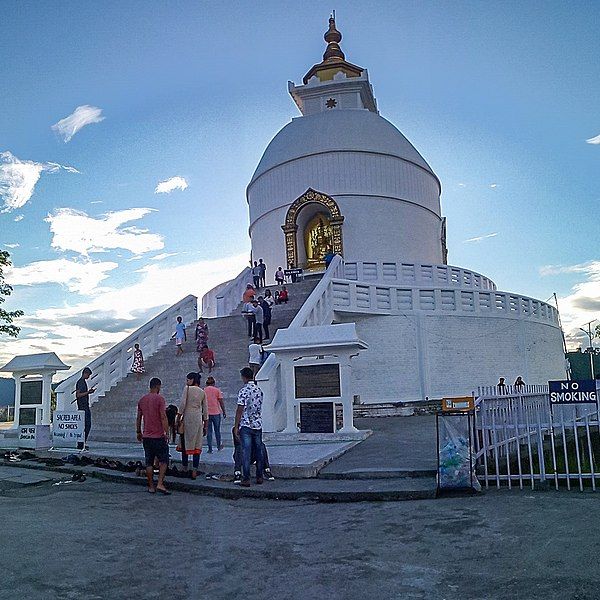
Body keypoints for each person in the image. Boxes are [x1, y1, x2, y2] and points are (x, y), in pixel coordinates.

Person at [136, 377, 171, 494]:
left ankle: (151, 486)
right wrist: (166, 432)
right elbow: (163, 416)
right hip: (158, 436)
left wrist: (138, 432)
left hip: (146, 436)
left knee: (149, 462)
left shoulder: (142, 400)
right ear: (158, 386)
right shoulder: (160, 399)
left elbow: (138, 418)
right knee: (164, 460)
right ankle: (160, 483)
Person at [234, 366, 265, 487]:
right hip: (257, 423)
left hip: (246, 424)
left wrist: (236, 426)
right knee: (259, 450)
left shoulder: (243, 391)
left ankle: (246, 478)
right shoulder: (259, 390)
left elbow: (239, 409)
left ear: (244, 377)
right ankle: (259, 476)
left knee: (246, 451)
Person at [177, 372, 208, 479]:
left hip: (188, 417)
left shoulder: (187, 389)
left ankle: (185, 468)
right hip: (198, 419)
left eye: (188, 380)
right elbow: (206, 410)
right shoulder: (202, 392)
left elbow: (182, 404)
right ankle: (194, 470)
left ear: (192, 380)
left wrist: (178, 416)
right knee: (196, 445)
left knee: (185, 442)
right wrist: (206, 425)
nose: (187, 382)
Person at [74, 367, 95, 451]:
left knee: (87, 425)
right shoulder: (80, 382)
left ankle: (82, 443)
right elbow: (78, 395)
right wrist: (88, 392)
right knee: (86, 425)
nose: (89, 377)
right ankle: (81, 443)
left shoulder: (83, 382)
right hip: (82, 407)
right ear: (85, 373)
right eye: (88, 375)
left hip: (85, 405)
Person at [205, 376, 226, 453]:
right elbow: (221, 402)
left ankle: (210, 448)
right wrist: (224, 411)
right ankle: (218, 446)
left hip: (207, 413)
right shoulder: (217, 390)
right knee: (217, 430)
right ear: (214, 383)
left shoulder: (204, 390)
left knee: (209, 431)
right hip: (216, 412)